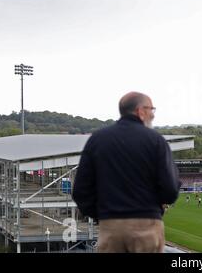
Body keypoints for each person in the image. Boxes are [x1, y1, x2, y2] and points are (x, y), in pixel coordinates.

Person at [72, 92, 180, 253]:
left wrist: (102, 215)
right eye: (152, 109)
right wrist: (154, 209)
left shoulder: (97, 139)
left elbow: (80, 191)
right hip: (147, 225)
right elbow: (170, 190)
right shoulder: (155, 140)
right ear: (140, 110)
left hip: (110, 226)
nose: (153, 115)